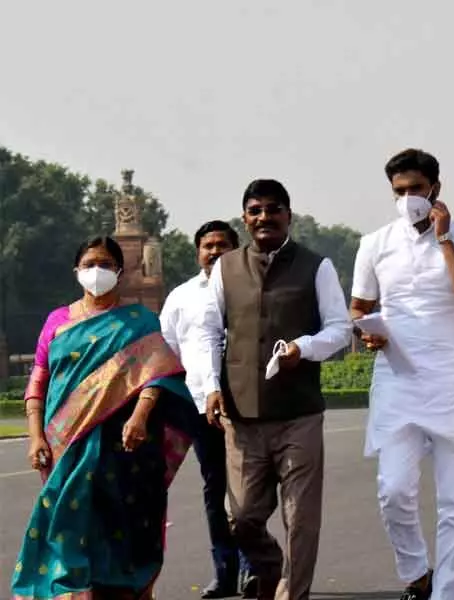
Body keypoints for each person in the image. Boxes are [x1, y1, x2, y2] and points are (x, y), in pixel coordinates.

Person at [350, 148, 454, 600]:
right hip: (398, 381)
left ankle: (447, 593)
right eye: (399, 191)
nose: (408, 198)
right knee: (393, 491)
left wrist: (444, 239)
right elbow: (360, 307)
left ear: (436, 187)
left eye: (416, 189)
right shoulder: (374, 244)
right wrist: (368, 333)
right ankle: (416, 569)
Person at [11, 236, 199, 600]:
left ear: (120, 271)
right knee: (65, 521)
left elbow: (157, 375)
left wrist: (140, 418)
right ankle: (70, 590)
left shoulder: (139, 321)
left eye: (105, 265)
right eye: (89, 264)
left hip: (123, 448)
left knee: (117, 528)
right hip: (65, 444)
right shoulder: (57, 321)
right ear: (76, 271)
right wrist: (35, 437)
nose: (97, 271)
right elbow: (38, 382)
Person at [200, 179, 353, 600]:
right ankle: (269, 567)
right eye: (255, 210)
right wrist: (210, 387)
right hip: (243, 415)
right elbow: (210, 332)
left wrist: (302, 349)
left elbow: (340, 330)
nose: (264, 217)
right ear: (245, 218)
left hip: (298, 414)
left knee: (300, 518)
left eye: (273, 209)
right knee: (242, 516)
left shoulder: (315, 266)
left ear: (289, 215)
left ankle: (293, 593)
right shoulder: (227, 268)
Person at [160, 220, 256, 598]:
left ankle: (253, 568)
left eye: (223, 245)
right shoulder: (182, 297)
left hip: (250, 405)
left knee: (247, 489)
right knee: (215, 488)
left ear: (237, 248)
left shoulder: (253, 286)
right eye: (208, 245)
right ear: (197, 251)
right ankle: (226, 570)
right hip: (202, 406)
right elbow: (165, 351)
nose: (215, 252)